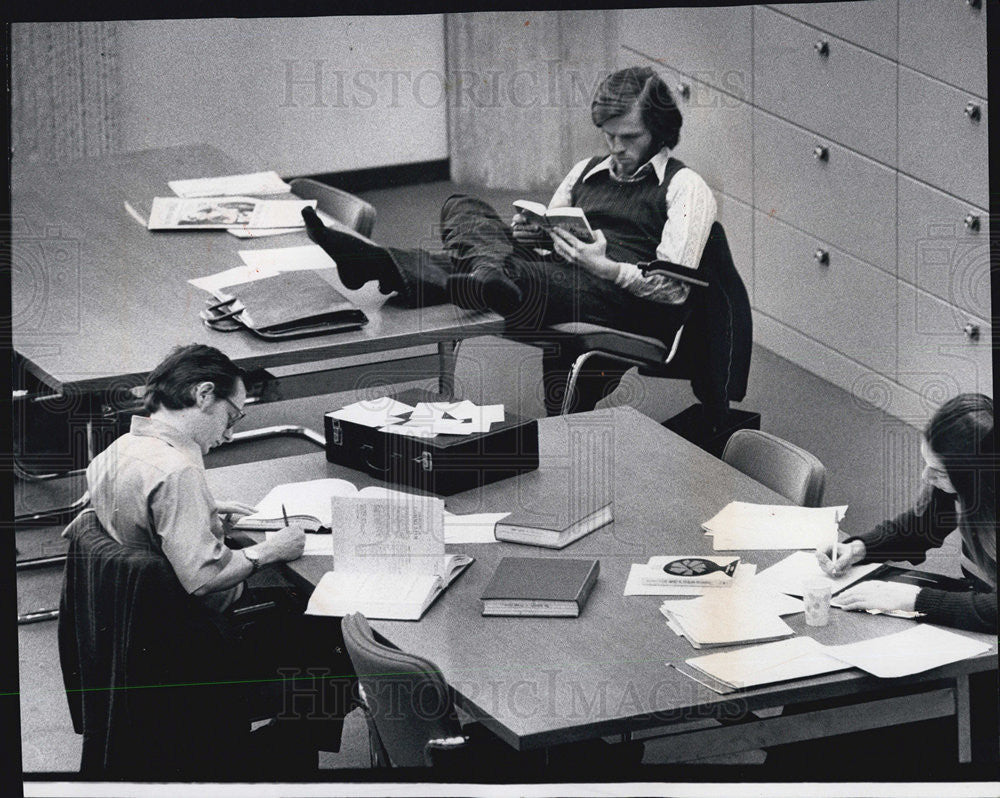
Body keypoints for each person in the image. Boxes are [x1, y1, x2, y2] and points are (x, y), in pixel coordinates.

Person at [303, 66, 719, 415]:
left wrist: (606, 267)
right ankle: (484, 274)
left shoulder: (686, 187)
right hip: (560, 274)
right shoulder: (586, 171)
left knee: (510, 271)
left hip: (621, 300)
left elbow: (675, 290)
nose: (616, 148)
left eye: (630, 137)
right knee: (461, 206)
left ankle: (383, 264)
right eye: (608, 136)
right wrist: (532, 235)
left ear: (660, 131)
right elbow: (548, 238)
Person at [84, 343, 353, 772]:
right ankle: (282, 757)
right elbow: (204, 578)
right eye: (232, 416)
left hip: (134, 639)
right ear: (204, 394)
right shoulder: (178, 471)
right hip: (196, 645)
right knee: (334, 636)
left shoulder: (117, 450)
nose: (228, 434)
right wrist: (271, 549)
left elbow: (140, 528)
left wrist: (201, 518)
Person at [816, 393, 996, 633]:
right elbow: (920, 529)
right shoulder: (962, 488)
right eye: (927, 463)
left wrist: (914, 599)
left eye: (940, 472)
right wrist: (859, 549)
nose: (926, 477)